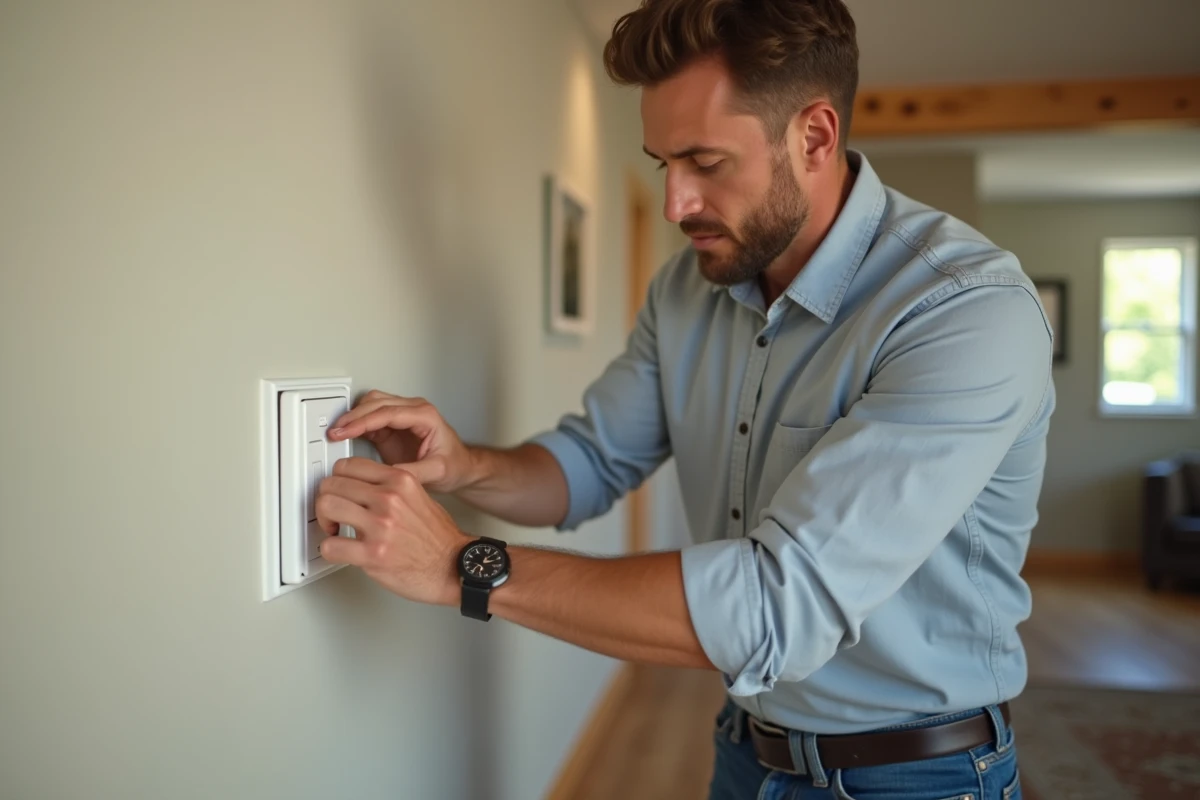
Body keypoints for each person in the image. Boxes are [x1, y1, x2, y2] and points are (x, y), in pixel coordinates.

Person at [316, 1, 1054, 797]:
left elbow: (778, 605)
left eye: (705, 162)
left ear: (814, 136)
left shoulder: (964, 310)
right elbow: (591, 461)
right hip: (747, 749)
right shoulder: (686, 290)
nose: (674, 205)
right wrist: (465, 466)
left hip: (921, 776)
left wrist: (464, 565)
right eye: (663, 163)